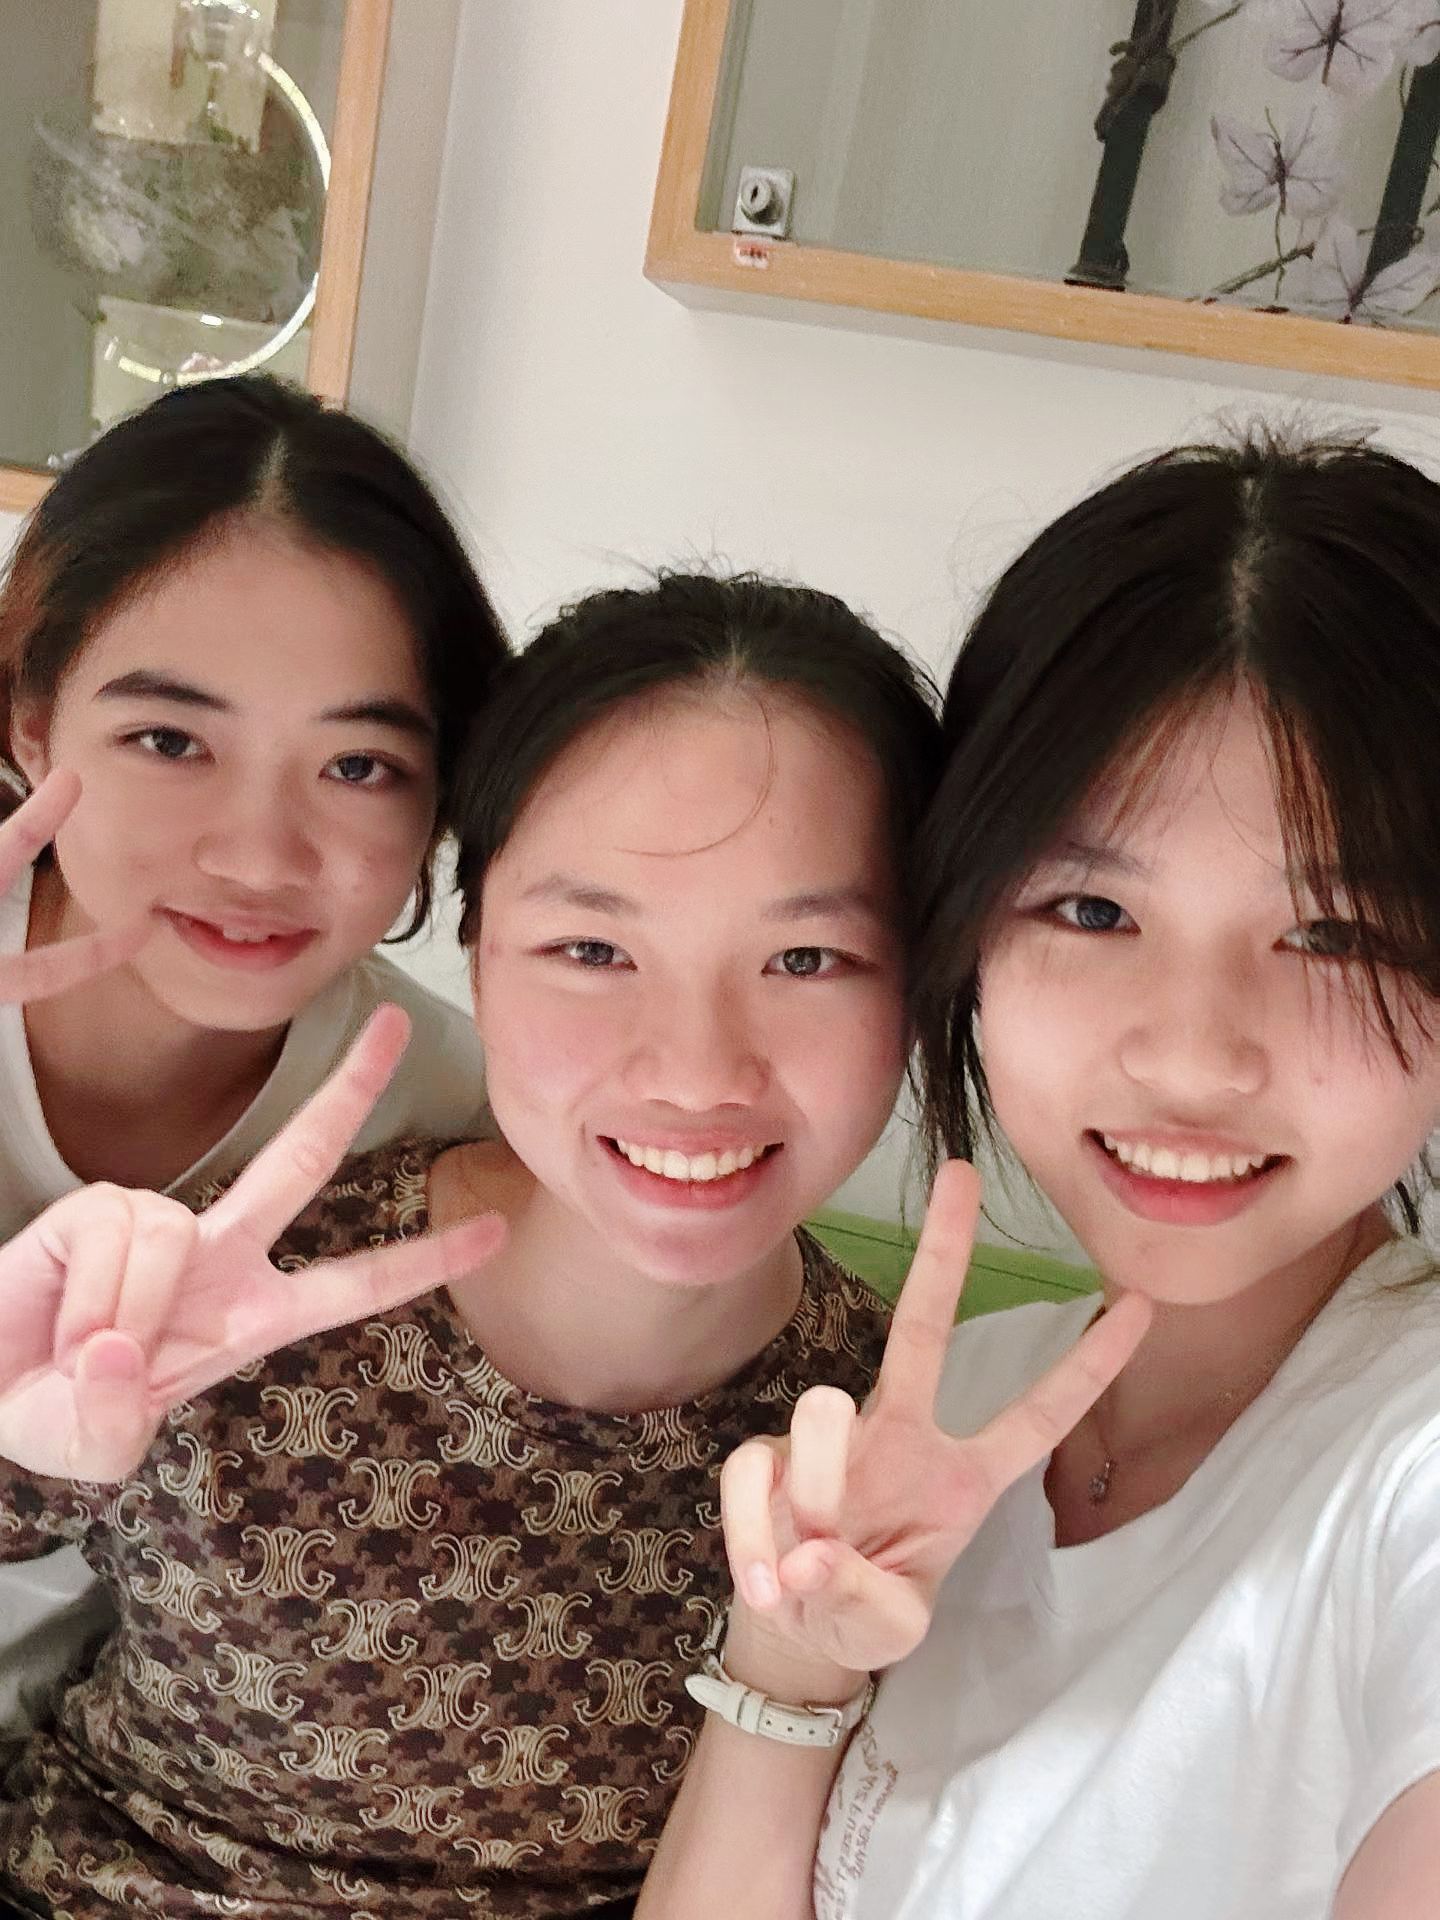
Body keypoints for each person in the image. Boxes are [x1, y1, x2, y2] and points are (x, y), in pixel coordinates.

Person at [0, 573, 946, 1918]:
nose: (694, 1072)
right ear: (479, 948)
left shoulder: (903, 1451)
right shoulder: (247, 1278)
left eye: (806, 959)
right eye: (591, 948)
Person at [639, 431, 1440, 1920]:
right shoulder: (951, 1404)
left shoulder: (1414, 1471)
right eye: (1091, 908)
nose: (1193, 1056)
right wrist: (793, 1659)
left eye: (1333, 934)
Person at [0, 373, 508, 1743]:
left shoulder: (450, 1120)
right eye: (170, 741)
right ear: (33, 726)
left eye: (358, 766)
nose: (260, 856)